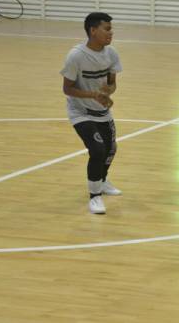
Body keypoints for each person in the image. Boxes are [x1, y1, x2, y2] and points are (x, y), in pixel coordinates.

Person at [60, 12, 123, 215]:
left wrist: (107, 92)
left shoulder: (111, 53)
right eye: (107, 29)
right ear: (93, 30)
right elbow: (67, 89)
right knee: (97, 150)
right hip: (80, 111)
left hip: (102, 111)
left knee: (111, 149)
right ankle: (94, 197)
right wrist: (92, 95)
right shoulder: (76, 56)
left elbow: (112, 84)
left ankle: (102, 181)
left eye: (111, 29)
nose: (111, 33)